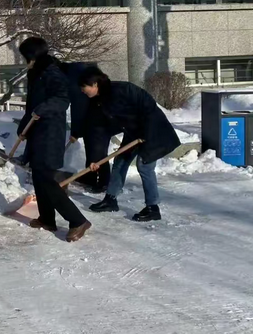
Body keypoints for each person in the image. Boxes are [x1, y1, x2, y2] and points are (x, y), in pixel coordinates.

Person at [78, 65, 180, 222]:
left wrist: (146, 133)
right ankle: (110, 199)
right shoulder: (98, 101)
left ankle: (153, 208)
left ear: (95, 84)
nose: (82, 90)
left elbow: (148, 107)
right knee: (121, 161)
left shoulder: (121, 90)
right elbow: (100, 129)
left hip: (153, 130)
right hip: (133, 132)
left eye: (83, 87)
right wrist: (96, 159)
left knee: (145, 166)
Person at [18, 37, 91, 242]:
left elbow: (61, 100)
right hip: (38, 131)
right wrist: (23, 128)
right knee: (40, 177)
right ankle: (47, 219)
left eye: (25, 55)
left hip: (50, 133)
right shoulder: (37, 73)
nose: (23, 60)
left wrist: (41, 110)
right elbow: (31, 105)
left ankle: (77, 220)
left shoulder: (52, 72)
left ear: (33, 55)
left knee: (47, 180)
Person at [64, 61, 112, 193]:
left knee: (98, 151)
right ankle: (91, 177)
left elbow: (78, 106)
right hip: (92, 117)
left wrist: (75, 130)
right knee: (92, 148)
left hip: (100, 119)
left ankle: (104, 182)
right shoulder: (79, 71)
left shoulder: (75, 78)